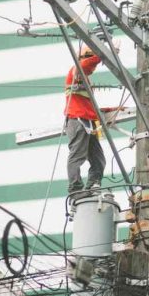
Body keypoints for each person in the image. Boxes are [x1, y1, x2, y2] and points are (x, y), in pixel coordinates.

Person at [64, 46, 105, 194]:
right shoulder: (75, 71)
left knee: (99, 160)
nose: (93, 65)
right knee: (77, 155)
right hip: (77, 120)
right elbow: (84, 66)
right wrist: (102, 54)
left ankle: (92, 186)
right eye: (91, 60)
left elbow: (88, 106)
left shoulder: (85, 80)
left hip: (88, 121)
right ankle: (75, 189)